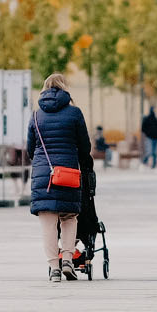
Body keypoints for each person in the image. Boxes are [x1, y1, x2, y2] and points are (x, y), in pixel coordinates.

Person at [28, 73, 91, 282]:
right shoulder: (74, 113)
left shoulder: (36, 115)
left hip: (44, 176)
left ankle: (54, 268)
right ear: (65, 88)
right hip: (68, 173)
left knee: (48, 223)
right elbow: (85, 146)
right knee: (69, 217)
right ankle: (67, 261)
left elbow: (30, 148)